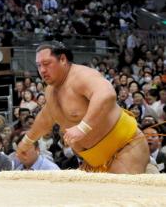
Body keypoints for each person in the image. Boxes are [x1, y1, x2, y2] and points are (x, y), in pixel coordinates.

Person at [17, 41, 150, 174]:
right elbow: (46, 116)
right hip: (93, 161)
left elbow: (106, 94)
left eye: (46, 64)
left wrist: (83, 127)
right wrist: (27, 141)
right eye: (39, 65)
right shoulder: (50, 91)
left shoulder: (82, 75)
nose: (42, 70)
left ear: (63, 59)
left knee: (123, 194)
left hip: (124, 148)